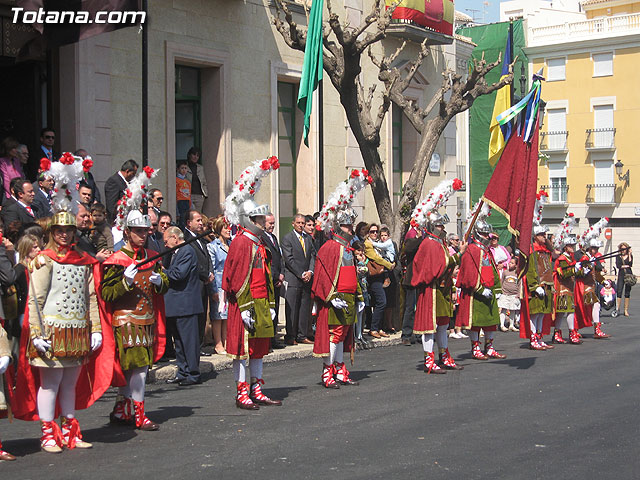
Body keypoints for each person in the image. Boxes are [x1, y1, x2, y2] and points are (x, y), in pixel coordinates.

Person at [13, 155, 111, 454]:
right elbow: (35, 299)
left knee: (70, 384)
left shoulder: (83, 261)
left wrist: (95, 328)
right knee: (50, 384)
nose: (65, 234)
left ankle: (69, 429)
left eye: (69, 230)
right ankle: (47, 433)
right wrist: (37, 334)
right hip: (52, 331)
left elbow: (91, 297)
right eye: (60, 231)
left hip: (77, 330)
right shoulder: (44, 260)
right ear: (52, 232)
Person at [101, 208, 169, 431]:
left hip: (147, 319)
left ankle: (122, 408)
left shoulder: (152, 257)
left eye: (145, 231)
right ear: (128, 233)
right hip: (126, 321)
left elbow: (164, 286)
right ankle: (140, 414)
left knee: (136, 369)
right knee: (137, 369)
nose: (143, 235)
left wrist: (160, 282)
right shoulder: (116, 260)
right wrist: (124, 282)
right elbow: (107, 294)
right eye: (138, 231)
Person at [311, 169, 370, 389]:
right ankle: (328, 372)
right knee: (335, 335)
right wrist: (330, 296)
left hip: (349, 297)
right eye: (346, 225)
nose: (350, 229)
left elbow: (352, 273)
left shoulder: (348, 247)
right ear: (337, 226)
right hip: (335, 298)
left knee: (345, 335)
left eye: (350, 225)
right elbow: (323, 275)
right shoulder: (329, 247)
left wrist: (359, 295)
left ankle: (340, 369)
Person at [223, 202, 281, 409]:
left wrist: (271, 302)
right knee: (241, 350)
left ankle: (256, 388)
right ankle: (241, 392)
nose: (264, 222)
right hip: (244, 303)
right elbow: (236, 276)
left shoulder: (260, 243)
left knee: (258, 349)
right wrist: (245, 305)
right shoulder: (241, 242)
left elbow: (266, 275)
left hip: (261, 302)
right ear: (250, 220)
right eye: (260, 219)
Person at [410, 178, 466, 373]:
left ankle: (444, 355)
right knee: (429, 327)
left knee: (443, 324)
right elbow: (437, 267)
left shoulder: (439, 243)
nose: (443, 228)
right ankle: (429, 360)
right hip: (431, 290)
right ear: (433, 227)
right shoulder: (429, 244)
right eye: (440, 226)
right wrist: (458, 255)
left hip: (442, 289)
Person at [456, 205, 506, 361]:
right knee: (476, 323)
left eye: (488, 234)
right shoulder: (471, 250)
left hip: (489, 290)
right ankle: (475, 347)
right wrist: (479, 288)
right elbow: (468, 273)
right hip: (476, 293)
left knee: (491, 322)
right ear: (478, 234)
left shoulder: (487, 251)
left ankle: (489, 347)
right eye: (484, 234)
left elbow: (493, 270)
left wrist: (497, 289)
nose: (487, 237)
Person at [164, 226, 203, 386]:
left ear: (175, 237)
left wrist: (161, 272)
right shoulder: (176, 253)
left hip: (186, 305)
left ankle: (193, 373)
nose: (165, 244)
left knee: (188, 341)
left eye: (166, 241)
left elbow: (179, 274)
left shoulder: (186, 251)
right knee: (179, 342)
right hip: (176, 305)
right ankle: (183, 371)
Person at [522, 204, 555, 350]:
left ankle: (540, 337)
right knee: (534, 315)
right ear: (535, 236)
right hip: (537, 287)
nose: (545, 237)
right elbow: (531, 270)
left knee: (542, 314)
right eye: (542, 235)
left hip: (546, 285)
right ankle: (533, 338)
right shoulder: (532, 251)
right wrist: (535, 286)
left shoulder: (544, 251)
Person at [184, 209, 215, 354]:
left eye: (201, 221)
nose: (201, 223)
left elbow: (207, 257)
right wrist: (205, 274)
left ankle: (200, 345)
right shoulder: (186, 239)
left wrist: (210, 273)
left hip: (204, 283)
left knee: (202, 315)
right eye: (198, 221)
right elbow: (193, 261)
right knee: (195, 317)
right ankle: (194, 347)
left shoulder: (201, 238)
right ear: (189, 223)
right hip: (195, 282)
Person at [281, 214, 315, 345]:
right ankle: (291, 335)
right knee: (292, 309)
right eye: (298, 223)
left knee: (304, 308)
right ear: (293, 224)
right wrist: (301, 273)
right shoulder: (287, 238)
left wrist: (310, 272)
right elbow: (289, 260)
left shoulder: (308, 238)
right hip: (294, 278)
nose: (301, 225)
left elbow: (312, 256)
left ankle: (302, 335)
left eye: (303, 223)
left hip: (307, 278)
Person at [576, 218, 610, 339]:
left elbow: (596, 273)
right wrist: (587, 266)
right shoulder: (585, 258)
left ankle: (597, 329)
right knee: (581, 309)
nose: (596, 251)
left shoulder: (592, 259)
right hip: (584, 287)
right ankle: (575, 329)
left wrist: (603, 281)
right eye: (594, 249)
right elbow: (582, 273)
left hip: (591, 286)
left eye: (597, 249)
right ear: (590, 248)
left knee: (595, 306)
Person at [551, 215, 582, 345]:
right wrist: (575, 269)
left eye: (573, 245)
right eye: (570, 246)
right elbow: (564, 274)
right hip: (562, 288)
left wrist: (581, 270)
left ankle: (558, 333)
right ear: (565, 247)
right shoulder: (563, 258)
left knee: (565, 311)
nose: (573, 247)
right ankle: (570, 332)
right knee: (566, 311)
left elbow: (574, 272)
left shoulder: (570, 258)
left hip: (569, 288)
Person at [363, 223, 394, 338]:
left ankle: (379, 327)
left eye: (376, 231)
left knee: (379, 303)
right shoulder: (367, 244)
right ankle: (374, 328)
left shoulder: (379, 243)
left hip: (381, 275)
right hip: (374, 276)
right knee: (381, 301)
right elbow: (375, 257)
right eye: (372, 232)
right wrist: (388, 264)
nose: (375, 234)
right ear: (367, 233)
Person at [261, 213, 285, 349]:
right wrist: (275, 275)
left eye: (273, 223)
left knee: (275, 309)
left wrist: (282, 274)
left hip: (277, 279)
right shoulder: (262, 238)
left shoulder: (274, 238)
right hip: (269, 279)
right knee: (268, 310)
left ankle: (273, 337)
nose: (272, 225)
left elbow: (279, 258)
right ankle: (267, 341)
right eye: (270, 223)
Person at [207, 215, 231, 355]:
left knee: (227, 315)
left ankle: (227, 339)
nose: (228, 230)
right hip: (219, 283)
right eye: (225, 227)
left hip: (230, 284)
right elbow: (213, 268)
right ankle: (218, 342)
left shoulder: (231, 244)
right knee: (218, 315)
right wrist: (214, 289)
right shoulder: (213, 246)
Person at [400, 225, 422, 345]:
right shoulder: (411, 239)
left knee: (420, 308)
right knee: (410, 308)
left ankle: (419, 333)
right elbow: (408, 249)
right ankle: (406, 335)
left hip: (421, 279)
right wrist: (418, 239)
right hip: (411, 278)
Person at [104, 159, 139, 224]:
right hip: (116, 221)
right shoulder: (113, 181)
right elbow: (111, 205)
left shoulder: (127, 182)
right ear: (127, 171)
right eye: (133, 174)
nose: (134, 176)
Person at [352, 241, 370, 346]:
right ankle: (355, 335)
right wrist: (361, 262)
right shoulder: (354, 261)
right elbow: (361, 271)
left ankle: (360, 334)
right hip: (356, 288)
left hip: (363, 288)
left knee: (362, 314)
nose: (360, 253)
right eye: (358, 250)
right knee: (356, 313)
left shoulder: (363, 259)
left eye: (362, 251)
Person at [498, 257, 520, 332]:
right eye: (510, 262)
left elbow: (520, 284)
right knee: (503, 309)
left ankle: (511, 325)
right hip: (505, 293)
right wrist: (501, 291)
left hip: (514, 294)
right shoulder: (505, 272)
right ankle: (502, 325)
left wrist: (519, 294)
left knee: (513, 309)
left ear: (516, 265)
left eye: (512, 263)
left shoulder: (517, 273)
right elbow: (502, 281)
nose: (510, 264)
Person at [185, 147, 208, 213]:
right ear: (189, 155)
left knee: (198, 214)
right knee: (189, 214)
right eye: (194, 154)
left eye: (197, 155)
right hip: (188, 195)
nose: (195, 157)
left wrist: (205, 193)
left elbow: (204, 181)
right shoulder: (185, 167)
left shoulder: (200, 168)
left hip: (199, 195)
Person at [616, 242, 633, 316]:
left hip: (628, 274)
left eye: (625, 249)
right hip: (621, 275)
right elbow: (618, 265)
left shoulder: (630, 255)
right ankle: (617, 309)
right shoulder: (618, 256)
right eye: (622, 249)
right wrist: (625, 266)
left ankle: (626, 310)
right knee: (619, 291)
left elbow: (630, 264)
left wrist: (629, 254)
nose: (623, 250)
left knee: (627, 292)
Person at [176, 161, 191, 227]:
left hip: (187, 201)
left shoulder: (187, 182)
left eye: (185, 168)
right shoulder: (176, 180)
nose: (184, 170)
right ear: (178, 169)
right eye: (182, 168)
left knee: (186, 218)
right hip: (180, 201)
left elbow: (189, 194)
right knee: (182, 219)